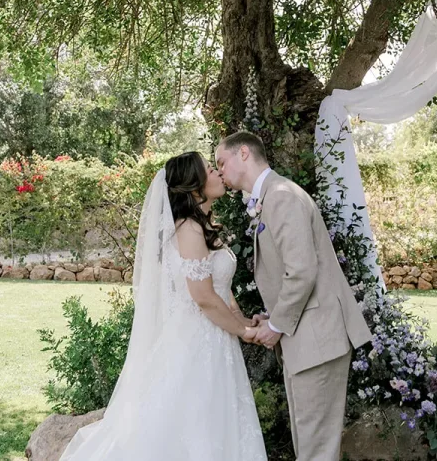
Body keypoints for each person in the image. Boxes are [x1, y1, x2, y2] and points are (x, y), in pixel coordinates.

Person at [59, 151, 268, 461]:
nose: (217, 173)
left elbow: (221, 288)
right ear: (194, 187)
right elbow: (203, 297)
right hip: (197, 341)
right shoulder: (188, 229)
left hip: (217, 337)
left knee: (217, 423)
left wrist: (242, 321)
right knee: (194, 426)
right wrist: (243, 331)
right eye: (210, 170)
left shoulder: (203, 225)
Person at [215, 131, 373, 461]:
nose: (219, 172)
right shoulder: (272, 196)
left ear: (243, 153)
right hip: (306, 340)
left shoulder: (282, 195)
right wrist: (272, 317)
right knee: (310, 447)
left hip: (318, 340)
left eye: (221, 162)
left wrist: (276, 326)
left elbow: (301, 271)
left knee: (316, 450)